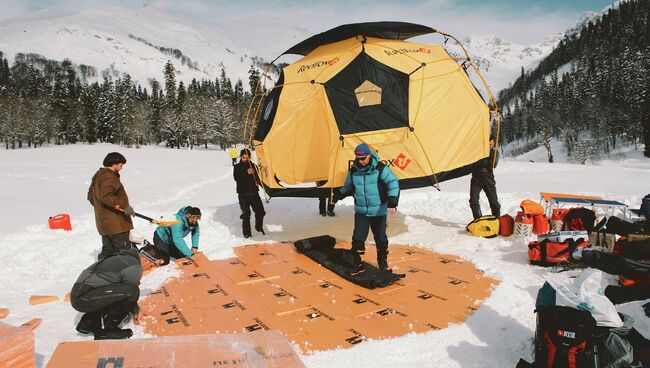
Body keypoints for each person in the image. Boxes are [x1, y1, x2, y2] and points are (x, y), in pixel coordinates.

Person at [334, 143, 400, 273]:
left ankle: (383, 265)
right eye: (358, 158)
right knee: (357, 240)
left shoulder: (380, 169)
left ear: (369, 155)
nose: (361, 161)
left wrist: (392, 201)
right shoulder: (354, 171)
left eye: (363, 158)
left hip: (378, 211)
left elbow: (393, 183)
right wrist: (338, 195)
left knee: (381, 239)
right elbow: (348, 186)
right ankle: (357, 265)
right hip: (361, 211)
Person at [70, 245, 143, 340]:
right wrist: (137, 310)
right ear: (146, 260)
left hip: (81, 295)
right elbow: (129, 292)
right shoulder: (134, 266)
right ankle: (109, 329)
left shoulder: (121, 259)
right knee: (132, 291)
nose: (150, 268)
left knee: (115, 292)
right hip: (84, 297)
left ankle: (89, 322)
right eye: (152, 265)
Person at [87, 152, 136, 260]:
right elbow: (106, 197)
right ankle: (120, 272)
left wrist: (102, 209)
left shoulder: (98, 175)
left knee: (108, 250)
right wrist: (124, 206)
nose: (121, 168)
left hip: (105, 223)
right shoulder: (110, 176)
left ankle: (103, 270)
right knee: (122, 250)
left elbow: (91, 196)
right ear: (114, 164)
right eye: (120, 165)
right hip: (116, 224)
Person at [233, 148, 266, 238]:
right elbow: (237, 178)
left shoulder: (254, 166)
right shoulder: (237, 167)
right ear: (241, 157)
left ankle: (258, 227)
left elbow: (260, 179)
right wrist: (246, 172)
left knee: (261, 212)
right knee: (246, 215)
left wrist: (258, 182)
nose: (245, 159)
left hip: (254, 194)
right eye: (244, 157)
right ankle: (247, 234)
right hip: (243, 195)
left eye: (247, 157)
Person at [469, 135, 500, 220]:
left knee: (493, 200)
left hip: (488, 177)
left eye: (491, 141)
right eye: (488, 140)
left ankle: (497, 219)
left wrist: (491, 152)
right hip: (476, 177)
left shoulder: (494, 152)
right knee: (473, 200)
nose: (490, 142)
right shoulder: (477, 151)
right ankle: (477, 219)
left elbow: (493, 165)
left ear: (493, 142)